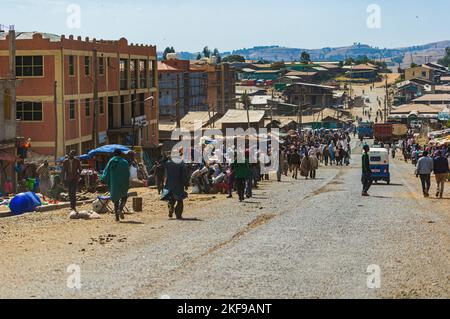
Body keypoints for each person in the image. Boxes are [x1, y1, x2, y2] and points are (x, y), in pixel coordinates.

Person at [101, 149, 130, 222]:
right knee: (124, 196)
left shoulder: (111, 161)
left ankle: (117, 217)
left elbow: (106, 171)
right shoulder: (125, 162)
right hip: (123, 183)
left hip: (114, 183)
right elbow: (128, 174)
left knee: (116, 199)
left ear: (114, 154)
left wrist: (103, 179)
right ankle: (120, 209)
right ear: (121, 154)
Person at [162, 153, 188, 219]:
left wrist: (166, 157)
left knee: (171, 199)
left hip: (169, 185)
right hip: (179, 185)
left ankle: (171, 208)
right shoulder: (182, 164)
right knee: (179, 200)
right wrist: (186, 184)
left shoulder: (168, 163)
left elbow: (162, 162)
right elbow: (184, 176)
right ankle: (178, 214)